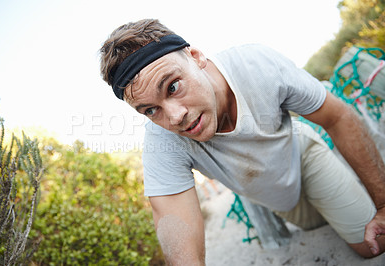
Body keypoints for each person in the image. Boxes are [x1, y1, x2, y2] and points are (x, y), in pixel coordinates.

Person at [99, 18, 385, 264]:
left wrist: (383, 205)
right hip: (272, 197)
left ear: (196, 57)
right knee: (316, 223)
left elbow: (337, 117)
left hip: (301, 156)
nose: (174, 117)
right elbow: (173, 221)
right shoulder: (161, 141)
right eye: (150, 110)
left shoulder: (257, 65)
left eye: (173, 86)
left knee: (369, 245)